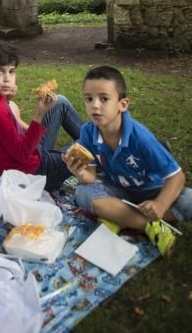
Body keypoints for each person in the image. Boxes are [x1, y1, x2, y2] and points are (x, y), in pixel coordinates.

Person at [64, 65, 192, 257]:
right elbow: (90, 177)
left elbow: (177, 177)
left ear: (122, 104)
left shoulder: (141, 138)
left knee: (188, 199)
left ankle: (118, 217)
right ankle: (150, 225)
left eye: (104, 98)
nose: (95, 105)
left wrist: (160, 204)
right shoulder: (87, 133)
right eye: (89, 98)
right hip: (118, 190)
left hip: (152, 191)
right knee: (83, 192)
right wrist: (80, 173)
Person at [0, 39, 83, 190]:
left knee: (60, 103)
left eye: (11, 71)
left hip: (32, 155)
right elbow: (21, 154)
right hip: (33, 174)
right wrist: (39, 115)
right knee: (91, 142)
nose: (7, 79)